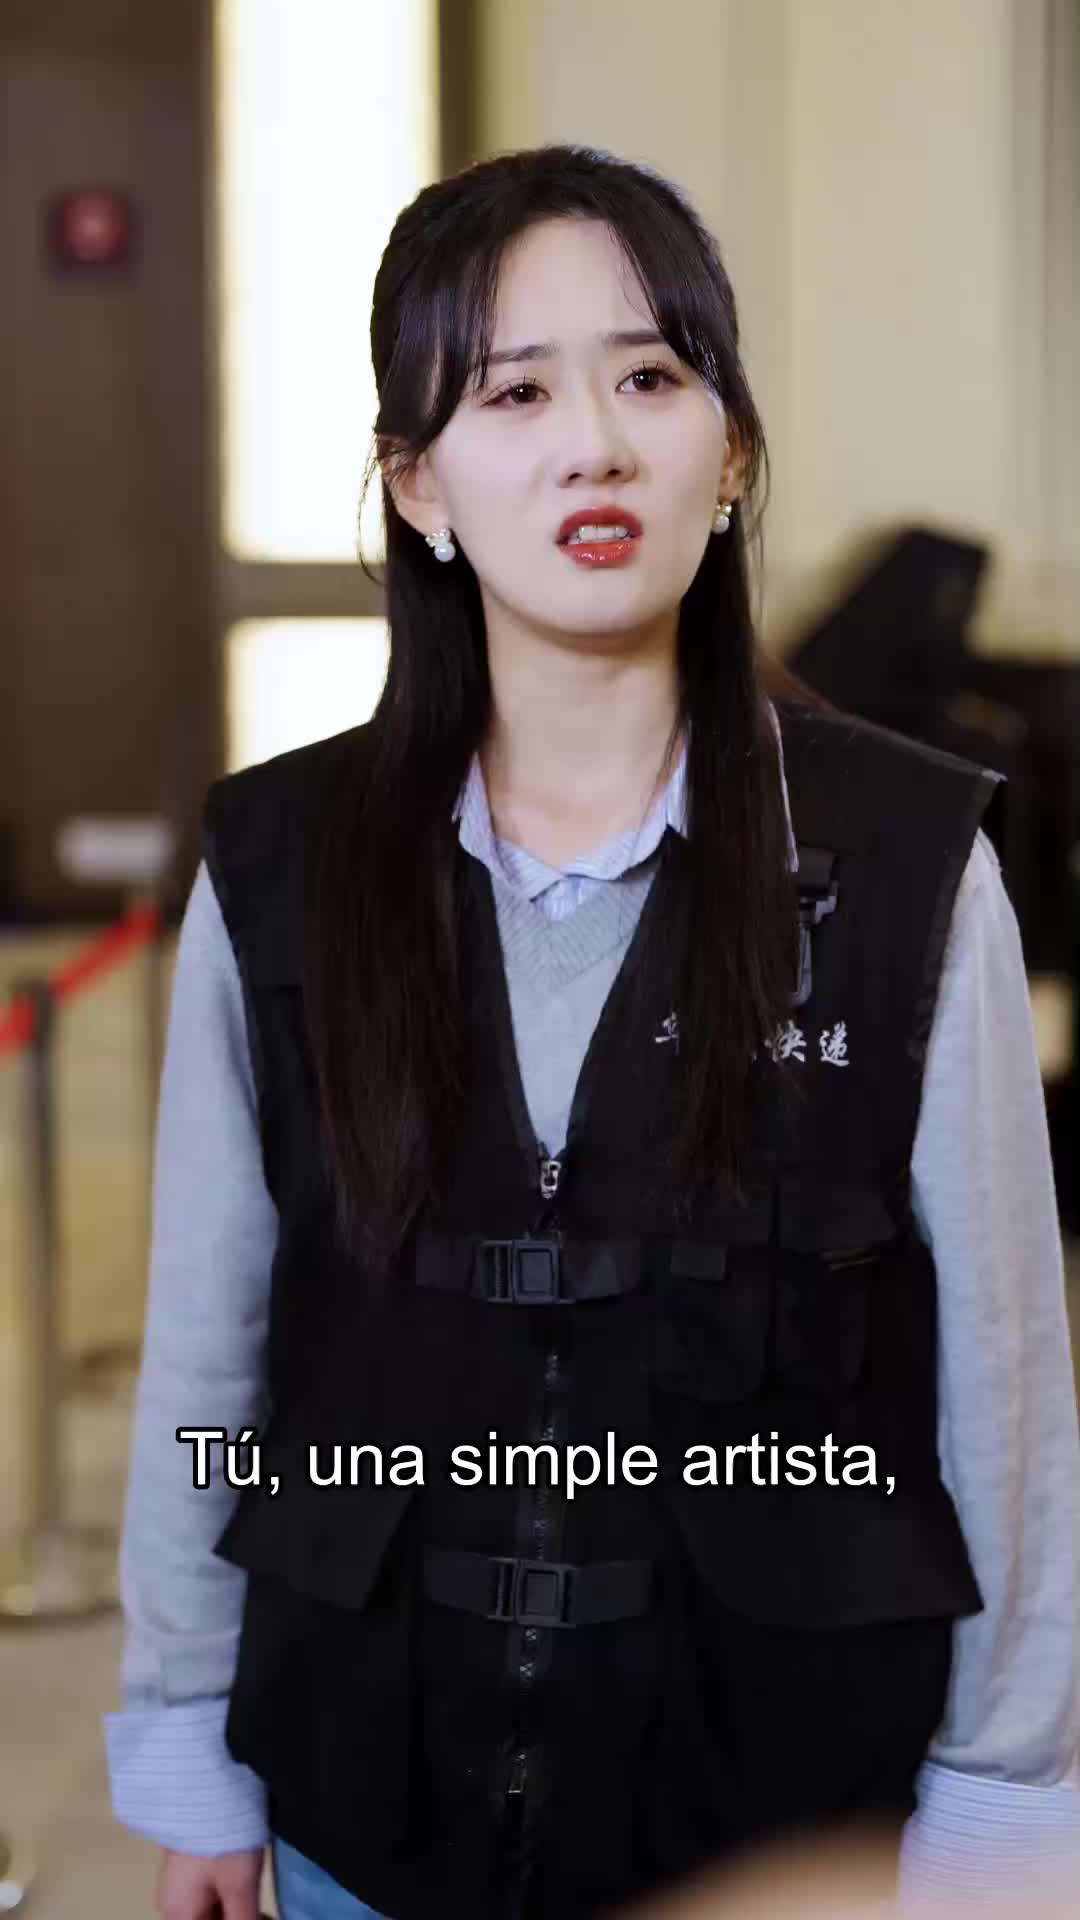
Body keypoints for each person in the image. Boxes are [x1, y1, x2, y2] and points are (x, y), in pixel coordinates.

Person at [102, 145, 1080, 1920]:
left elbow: (1005, 1386)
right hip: (362, 1808)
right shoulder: (281, 864)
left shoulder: (909, 863)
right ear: (418, 482)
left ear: (732, 454)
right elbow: (207, 1355)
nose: (594, 446)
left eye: (649, 377)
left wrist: (1007, 1792)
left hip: (787, 1837)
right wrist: (189, 1741)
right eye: (515, 393)